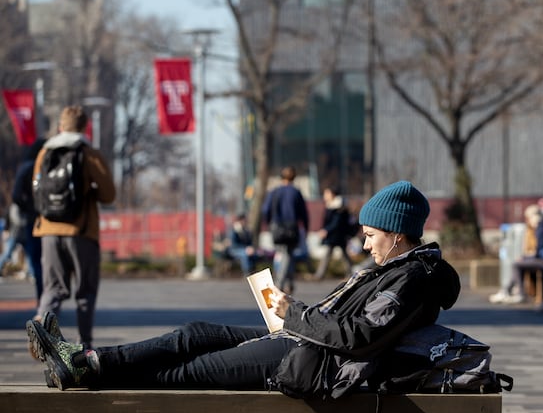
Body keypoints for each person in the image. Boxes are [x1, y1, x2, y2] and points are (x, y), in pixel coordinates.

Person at [25, 180, 461, 397]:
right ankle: (87, 360)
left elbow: (360, 339)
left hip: (309, 360)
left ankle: (85, 368)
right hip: (302, 339)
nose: (365, 243)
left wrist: (293, 313)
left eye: (371, 234)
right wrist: (293, 312)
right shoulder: (395, 269)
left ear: (398, 234)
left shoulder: (410, 280)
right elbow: (349, 325)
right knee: (192, 334)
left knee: (193, 369)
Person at [32, 106, 116, 350]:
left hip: (48, 230)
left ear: (60, 125)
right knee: (84, 292)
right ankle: (84, 345)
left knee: (53, 288)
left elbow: (37, 189)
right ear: (84, 126)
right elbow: (109, 194)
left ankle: (41, 322)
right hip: (81, 231)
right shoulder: (88, 153)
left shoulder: (44, 152)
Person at [0, 138, 47, 300]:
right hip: (52, 221)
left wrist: (29, 208)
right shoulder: (49, 166)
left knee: (35, 259)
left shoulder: (26, 168)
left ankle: (43, 300)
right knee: (47, 262)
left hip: (31, 221)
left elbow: (16, 195)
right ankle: (50, 299)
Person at [261, 166, 309, 293]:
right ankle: (281, 283)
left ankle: (287, 282)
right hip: (292, 227)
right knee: (288, 254)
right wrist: (306, 228)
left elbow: (266, 210)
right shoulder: (296, 192)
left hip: (277, 226)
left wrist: (269, 223)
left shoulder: (274, 192)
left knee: (283, 254)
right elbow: (304, 213)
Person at [489, 204, 543, 304]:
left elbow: (539, 250)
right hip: (533, 257)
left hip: (540, 258)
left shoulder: (540, 229)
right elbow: (528, 248)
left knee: (516, 264)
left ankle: (513, 292)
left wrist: (526, 256)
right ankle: (509, 291)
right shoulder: (529, 231)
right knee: (517, 263)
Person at [314, 186, 353, 280]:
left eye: (326, 193)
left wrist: (326, 230)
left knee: (339, 254)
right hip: (334, 235)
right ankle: (351, 273)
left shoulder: (339, 206)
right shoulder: (331, 205)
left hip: (338, 235)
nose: (325, 196)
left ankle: (320, 275)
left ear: (332, 194)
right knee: (341, 254)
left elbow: (336, 222)